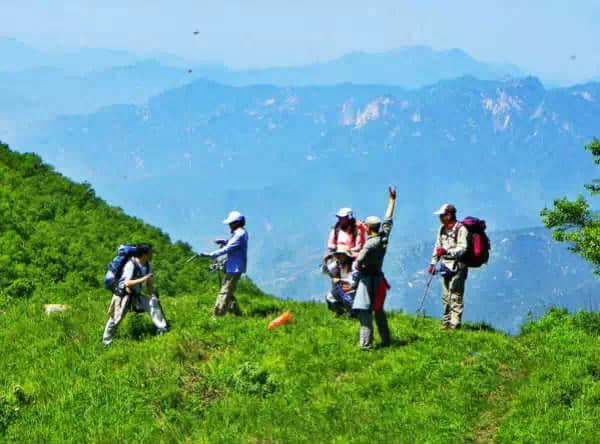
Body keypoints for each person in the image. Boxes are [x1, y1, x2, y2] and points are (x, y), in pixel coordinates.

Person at [352, 187, 396, 349]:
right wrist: (392, 201)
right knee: (379, 310)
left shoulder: (369, 245)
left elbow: (359, 262)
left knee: (365, 312)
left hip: (366, 280)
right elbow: (388, 220)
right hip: (379, 278)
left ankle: (365, 344)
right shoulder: (383, 238)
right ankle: (386, 340)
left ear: (368, 228)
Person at [102, 244, 168, 346]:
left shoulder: (147, 265)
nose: (152, 255)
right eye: (150, 253)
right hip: (123, 295)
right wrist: (144, 278)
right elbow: (127, 283)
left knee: (153, 304)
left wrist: (152, 296)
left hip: (136, 295)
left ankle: (162, 328)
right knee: (116, 318)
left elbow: (149, 284)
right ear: (144, 254)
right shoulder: (130, 264)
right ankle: (106, 342)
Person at [428, 204, 468, 330]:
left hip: (458, 265)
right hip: (445, 265)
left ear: (449, 215)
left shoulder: (461, 229)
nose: (440, 217)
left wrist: (446, 251)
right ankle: (446, 323)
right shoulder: (441, 229)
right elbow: (437, 246)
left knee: (455, 295)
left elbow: (463, 248)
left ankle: (454, 325)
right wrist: (433, 263)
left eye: (442, 215)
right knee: (446, 296)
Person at [201, 211, 248, 317]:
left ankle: (217, 317)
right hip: (234, 267)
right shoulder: (239, 233)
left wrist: (212, 254)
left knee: (225, 291)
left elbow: (229, 248)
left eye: (231, 223)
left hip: (235, 268)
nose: (229, 225)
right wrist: (225, 241)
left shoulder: (240, 234)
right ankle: (237, 314)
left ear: (237, 223)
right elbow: (232, 243)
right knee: (227, 289)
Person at [322, 246, 357, 315]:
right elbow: (324, 271)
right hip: (343, 288)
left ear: (346, 255)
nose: (339, 256)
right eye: (337, 254)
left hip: (352, 289)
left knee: (348, 300)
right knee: (329, 297)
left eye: (341, 254)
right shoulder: (338, 263)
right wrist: (325, 261)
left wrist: (340, 280)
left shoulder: (354, 265)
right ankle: (340, 312)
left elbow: (354, 282)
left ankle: (351, 312)